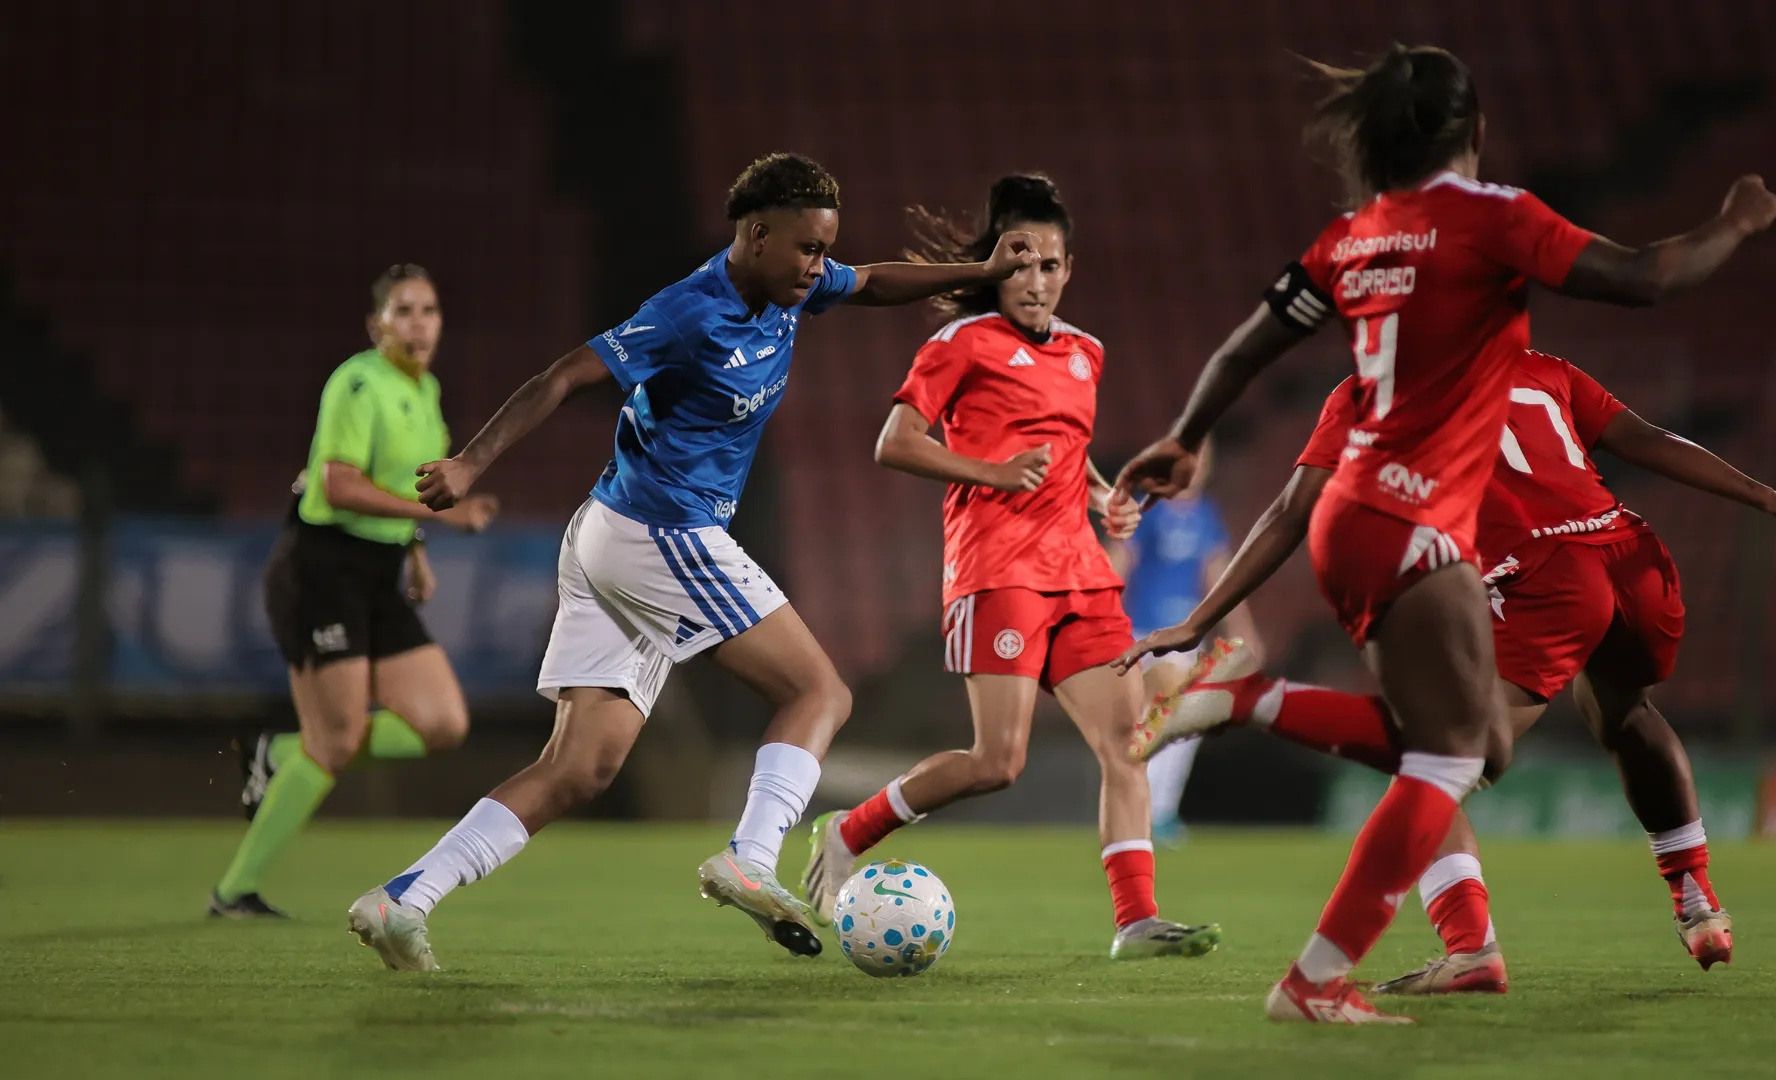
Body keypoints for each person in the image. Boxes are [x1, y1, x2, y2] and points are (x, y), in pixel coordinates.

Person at [1109, 45, 1776, 1023]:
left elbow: (1244, 344)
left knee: (1461, 754)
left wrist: (1186, 435)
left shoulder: (1350, 236)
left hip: (1364, 512)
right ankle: (1248, 727)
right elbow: (1644, 279)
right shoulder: (1493, 217)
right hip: (1410, 514)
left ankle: (1332, 948)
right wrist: (1733, 222)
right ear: (1474, 133)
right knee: (1454, 755)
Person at [345, 153, 1043, 971]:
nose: (821, 268)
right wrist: (470, 462)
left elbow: (875, 282)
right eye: (809, 250)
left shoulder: (793, 286)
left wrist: (979, 272)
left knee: (578, 768)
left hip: (616, 533)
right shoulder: (688, 311)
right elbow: (563, 375)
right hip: (659, 532)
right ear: (756, 234)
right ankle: (751, 856)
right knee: (818, 691)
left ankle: (402, 900)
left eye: (826, 251)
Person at [1121, 349, 1776, 994]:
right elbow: (1648, 438)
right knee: (1624, 709)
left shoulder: (1368, 390)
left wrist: (1198, 619)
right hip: (1635, 558)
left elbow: (1290, 511)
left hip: (1546, 574)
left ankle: (1465, 945)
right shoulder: (1543, 368)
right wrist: (1769, 497)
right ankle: (1697, 901)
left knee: (1437, 758)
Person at [800, 175, 1222, 960]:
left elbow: (1066, 447)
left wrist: (1101, 499)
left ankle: (1135, 921)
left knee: (1130, 743)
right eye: (1020, 262)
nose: (1035, 280)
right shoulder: (960, 344)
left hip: (1082, 572)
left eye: (1050, 265)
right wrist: (995, 474)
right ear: (995, 266)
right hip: (997, 572)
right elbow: (894, 442)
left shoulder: (1087, 352)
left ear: (1070, 269)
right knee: (998, 763)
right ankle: (850, 827)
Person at [210, 264, 498, 918]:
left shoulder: (425, 392)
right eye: (404, 310)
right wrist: (437, 517)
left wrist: (416, 552)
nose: (419, 322)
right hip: (320, 569)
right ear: (378, 324)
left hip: (377, 572)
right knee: (336, 742)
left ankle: (276, 751)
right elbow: (338, 486)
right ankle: (234, 892)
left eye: (428, 309)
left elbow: (404, 483)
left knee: (443, 723)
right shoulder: (358, 381)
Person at [1104, 437, 1264, 843]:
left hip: (1188, 635)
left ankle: (1153, 811)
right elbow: (1119, 562)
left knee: (1174, 726)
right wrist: (1100, 616)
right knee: (1168, 719)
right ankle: (1150, 811)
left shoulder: (1206, 516)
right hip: (1144, 631)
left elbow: (1219, 579)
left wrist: (1243, 631)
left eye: (1201, 458)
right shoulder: (1148, 508)